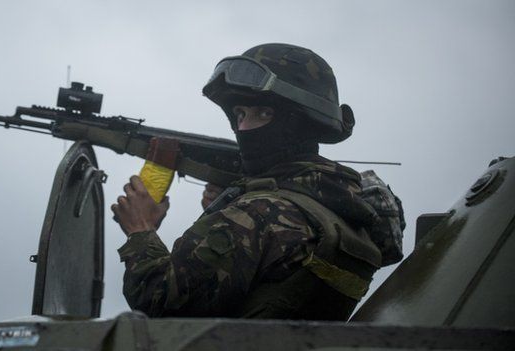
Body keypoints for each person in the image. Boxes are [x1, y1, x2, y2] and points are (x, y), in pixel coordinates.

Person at [111, 43, 393, 320]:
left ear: (298, 120)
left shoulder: (258, 214)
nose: (243, 127)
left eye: (263, 113)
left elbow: (159, 304)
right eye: (240, 114)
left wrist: (141, 229)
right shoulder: (343, 205)